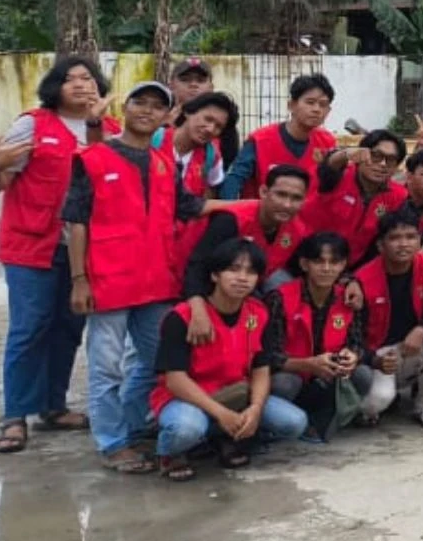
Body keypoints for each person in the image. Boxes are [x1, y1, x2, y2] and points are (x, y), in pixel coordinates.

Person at [64, 81, 208, 474]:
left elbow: (192, 207)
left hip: (156, 283)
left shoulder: (164, 163)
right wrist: (79, 279)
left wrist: (253, 206)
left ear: (167, 116)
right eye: (139, 103)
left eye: (156, 106)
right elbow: (76, 221)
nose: (147, 110)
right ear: (125, 109)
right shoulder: (92, 158)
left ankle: (131, 425)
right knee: (106, 367)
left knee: (158, 361)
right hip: (108, 283)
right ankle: (112, 442)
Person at [0, 54, 110, 455]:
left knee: (68, 329)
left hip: (83, 251)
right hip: (31, 245)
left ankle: (53, 408)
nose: (80, 85)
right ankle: (16, 416)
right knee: (29, 327)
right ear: (55, 87)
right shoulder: (33, 124)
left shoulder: (111, 129)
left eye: (87, 78)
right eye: (69, 79)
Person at [150, 238, 308, 481]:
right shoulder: (183, 317)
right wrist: (221, 414)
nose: (242, 278)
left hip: (234, 394)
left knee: (294, 422)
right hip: (188, 398)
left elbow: (260, 370)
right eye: (233, 269)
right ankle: (171, 452)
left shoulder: (258, 313)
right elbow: (175, 380)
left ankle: (222, 437)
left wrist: (255, 409)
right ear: (215, 275)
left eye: (251, 272)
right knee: (186, 429)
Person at [269, 232, 394, 436]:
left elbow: (356, 343)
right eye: (319, 261)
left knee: (362, 375)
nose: (327, 269)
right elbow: (267, 355)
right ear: (304, 264)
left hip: (329, 374)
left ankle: (325, 420)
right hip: (295, 373)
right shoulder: (280, 298)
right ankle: (280, 425)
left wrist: (353, 356)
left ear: (343, 265)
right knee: (284, 383)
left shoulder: (348, 298)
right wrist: (307, 364)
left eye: (334, 262)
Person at [348, 211, 423, 428]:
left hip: (411, 348)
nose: (403, 244)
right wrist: (373, 359)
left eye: (411, 237)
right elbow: (353, 337)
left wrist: (422, 329)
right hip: (379, 354)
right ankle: (379, 402)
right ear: (380, 245)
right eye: (395, 238)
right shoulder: (363, 279)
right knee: (376, 403)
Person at [179, 166, 313, 296]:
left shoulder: (298, 229)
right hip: (187, 279)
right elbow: (198, 267)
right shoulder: (231, 220)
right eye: (281, 195)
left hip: (245, 286)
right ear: (264, 192)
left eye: (296, 198)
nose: (287, 204)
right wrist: (197, 308)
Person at [221, 73, 337, 200]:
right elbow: (234, 178)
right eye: (310, 102)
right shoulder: (260, 140)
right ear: (291, 105)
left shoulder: (327, 142)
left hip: (307, 218)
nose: (317, 109)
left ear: (328, 111)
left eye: (323, 104)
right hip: (262, 216)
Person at [309, 129, 407, 263]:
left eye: (390, 160)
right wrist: (346, 154)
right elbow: (328, 166)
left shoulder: (398, 196)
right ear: (361, 155)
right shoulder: (338, 177)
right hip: (309, 259)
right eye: (376, 156)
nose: (383, 164)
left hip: (352, 268)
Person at [157, 91, 234, 201]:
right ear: (188, 112)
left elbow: (208, 199)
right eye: (208, 119)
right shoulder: (152, 140)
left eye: (219, 127)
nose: (210, 129)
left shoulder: (212, 157)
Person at [168, 57, 239, 167]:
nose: (193, 85)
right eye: (185, 79)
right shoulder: (158, 114)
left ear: (211, 87)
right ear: (171, 85)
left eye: (201, 80)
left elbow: (228, 165)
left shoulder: (223, 121)